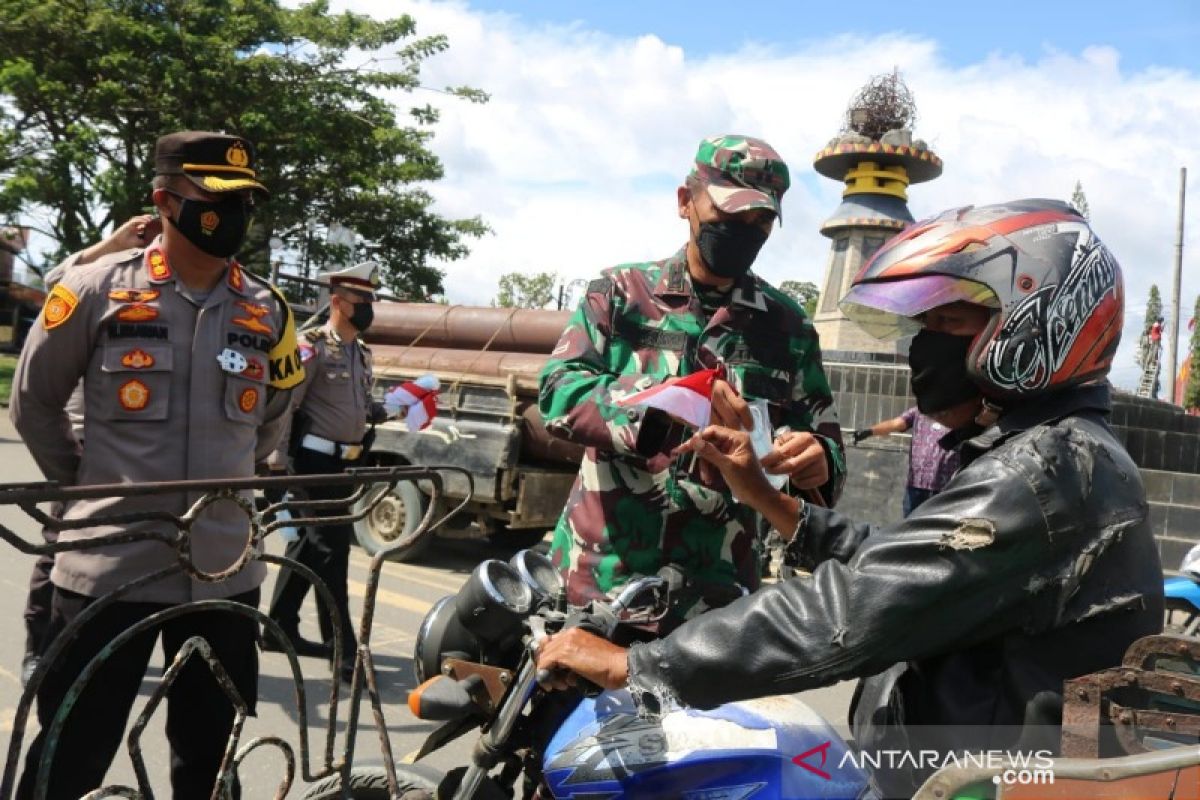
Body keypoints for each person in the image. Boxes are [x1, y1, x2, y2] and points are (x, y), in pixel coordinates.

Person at [536, 199, 1163, 796]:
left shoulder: (1042, 472)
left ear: (1032, 326)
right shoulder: (1052, 455)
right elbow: (912, 562)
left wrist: (640, 667)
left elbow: (852, 609)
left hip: (973, 782)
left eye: (946, 323)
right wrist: (764, 496)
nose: (926, 342)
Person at [10, 131, 304, 800]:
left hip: (227, 571)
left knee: (210, 758)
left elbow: (274, 415)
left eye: (245, 202)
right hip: (109, 566)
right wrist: (89, 485)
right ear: (165, 202)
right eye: (218, 200)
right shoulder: (92, 291)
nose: (235, 216)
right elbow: (34, 405)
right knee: (70, 752)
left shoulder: (266, 310)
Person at [538, 135, 845, 616]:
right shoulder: (622, 294)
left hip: (717, 598)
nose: (744, 231)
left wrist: (819, 459)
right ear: (686, 201)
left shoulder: (789, 328)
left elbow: (821, 436)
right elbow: (558, 390)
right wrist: (661, 409)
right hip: (602, 576)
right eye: (729, 214)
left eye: (760, 220)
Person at [20, 214, 163, 686]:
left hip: (131, 447)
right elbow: (58, 286)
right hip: (81, 439)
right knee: (59, 549)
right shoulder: (104, 276)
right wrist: (111, 243)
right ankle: (38, 647)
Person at [264, 260, 390, 683]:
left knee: (308, 548)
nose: (369, 307)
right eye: (362, 300)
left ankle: (278, 625)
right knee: (331, 553)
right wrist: (277, 463)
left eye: (372, 300)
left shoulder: (361, 352)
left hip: (345, 463)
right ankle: (345, 650)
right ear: (337, 301)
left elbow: (357, 406)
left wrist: (387, 409)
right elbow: (287, 405)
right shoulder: (311, 345)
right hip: (310, 463)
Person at [852, 406, 963, 516]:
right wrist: (870, 431)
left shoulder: (959, 412)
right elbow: (896, 424)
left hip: (946, 487)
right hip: (916, 486)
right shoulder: (919, 411)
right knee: (911, 528)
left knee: (940, 529)